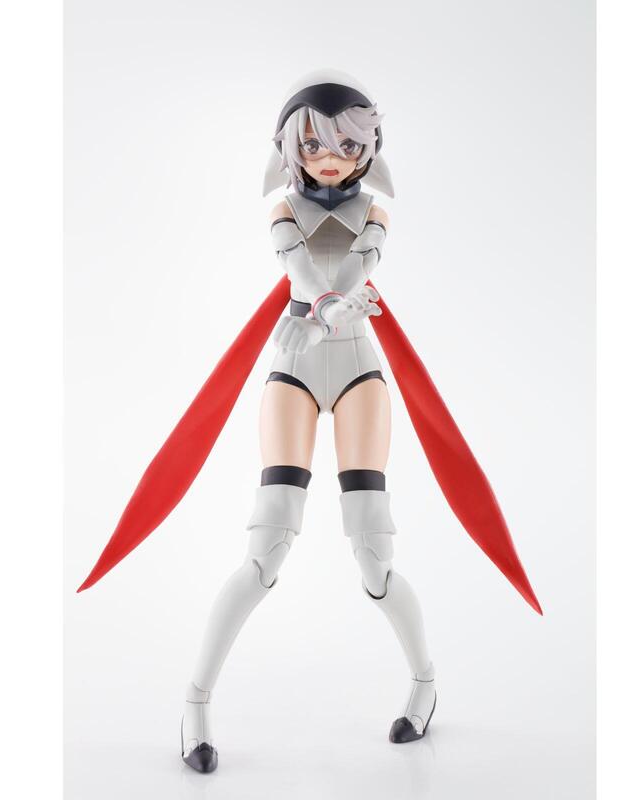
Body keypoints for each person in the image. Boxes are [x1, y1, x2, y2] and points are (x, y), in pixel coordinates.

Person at [181, 70, 436, 774]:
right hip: (294, 364)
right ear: (289, 147)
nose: (330, 156)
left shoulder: (376, 212)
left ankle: (424, 681)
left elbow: (359, 266)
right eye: (314, 143)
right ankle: (196, 700)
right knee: (266, 551)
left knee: (373, 555)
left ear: (370, 147)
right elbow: (303, 273)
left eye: (347, 144)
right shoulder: (283, 210)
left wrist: (332, 309)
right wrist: (325, 310)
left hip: (358, 371)